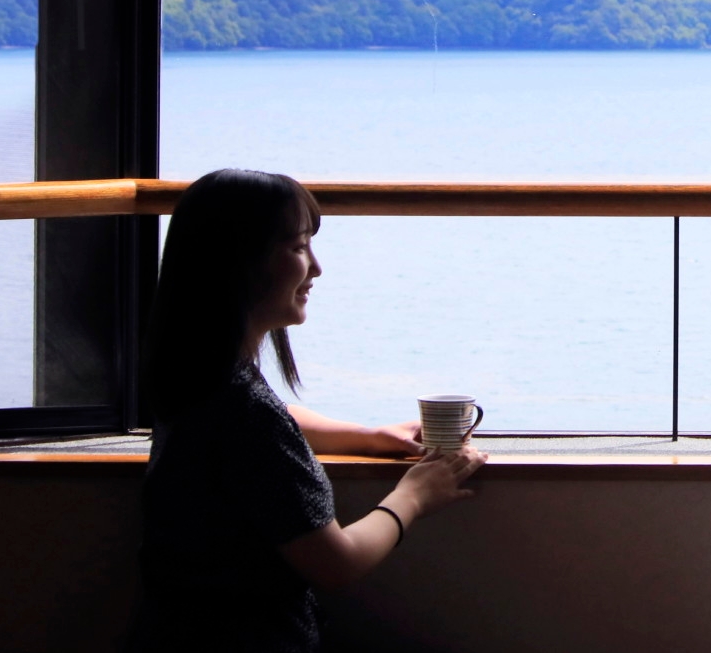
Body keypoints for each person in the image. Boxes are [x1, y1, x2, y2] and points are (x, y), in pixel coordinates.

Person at [130, 169, 484, 652]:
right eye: (298, 248)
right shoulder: (242, 412)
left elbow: (273, 422)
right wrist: (415, 494)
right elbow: (336, 563)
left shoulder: (195, 381)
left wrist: (367, 437)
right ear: (241, 262)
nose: (315, 268)